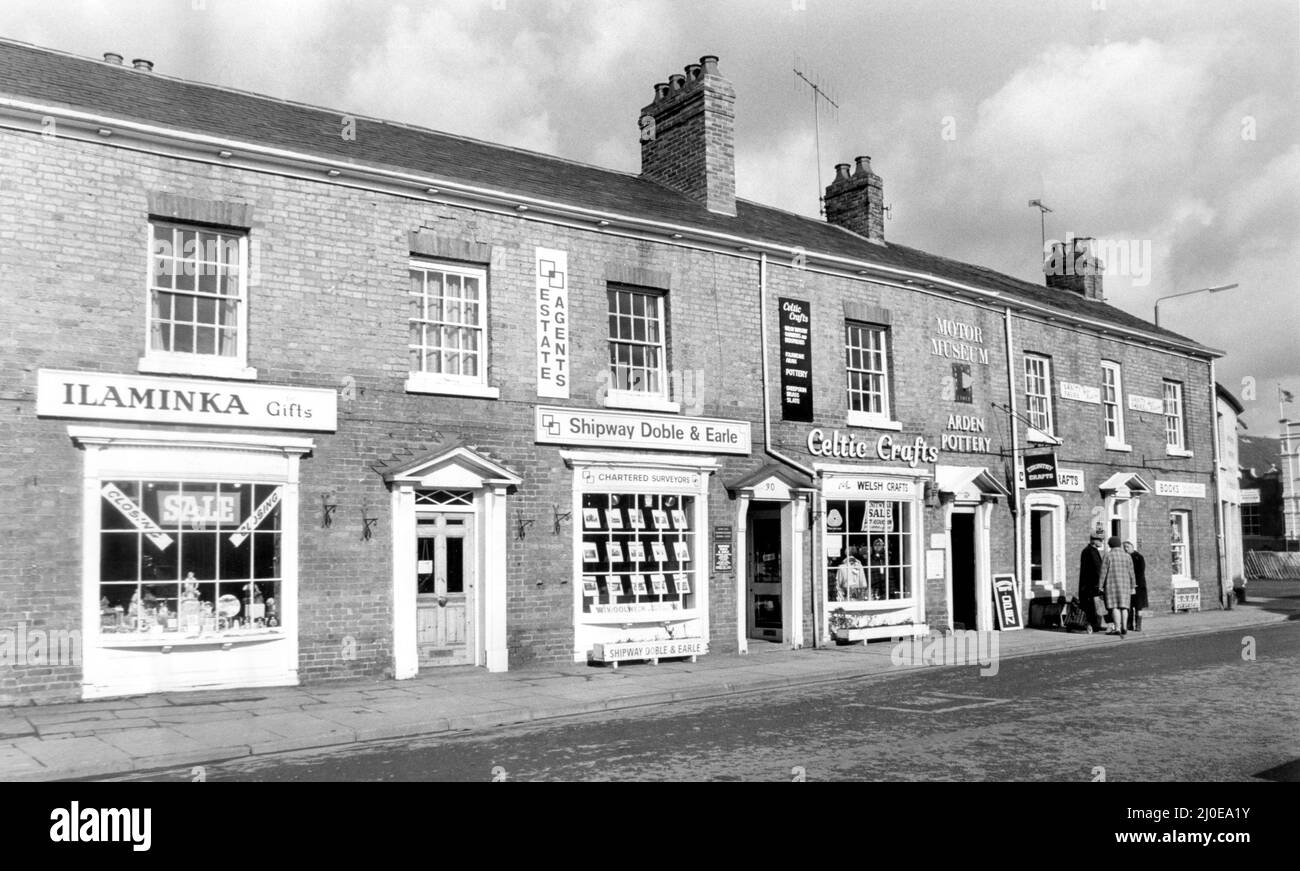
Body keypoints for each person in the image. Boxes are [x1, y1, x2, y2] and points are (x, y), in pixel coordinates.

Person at [1100, 535, 1135, 637]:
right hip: (1125, 584)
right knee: (1124, 606)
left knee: (1114, 606)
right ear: (1119, 545)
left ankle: (1118, 628)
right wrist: (1133, 586)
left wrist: (1100, 586)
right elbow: (1131, 573)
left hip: (1111, 585)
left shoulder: (1108, 556)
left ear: (1110, 545)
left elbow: (1103, 572)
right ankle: (1124, 626)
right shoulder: (1127, 556)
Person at [1077, 532, 1106, 632]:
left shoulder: (1090, 550)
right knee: (1093, 606)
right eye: (1100, 540)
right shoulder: (1091, 551)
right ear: (1094, 541)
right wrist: (1102, 582)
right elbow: (1098, 569)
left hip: (1089, 584)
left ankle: (1095, 625)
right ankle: (1094, 625)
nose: (1102, 542)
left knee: (1094, 606)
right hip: (1091, 584)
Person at [1124, 540, 1147, 631]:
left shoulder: (1139, 557)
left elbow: (1140, 572)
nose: (1126, 549)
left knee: (1138, 606)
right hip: (1129, 585)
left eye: (1127, 547)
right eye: (1124, 547)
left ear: (1132, 547)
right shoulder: (1125, 557)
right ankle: (1129, 625)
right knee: (1129, 606)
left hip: (1139, 586)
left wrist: (1135, 584)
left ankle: (1138, 626)